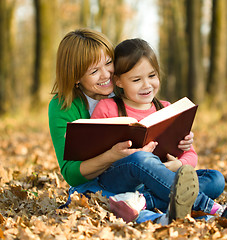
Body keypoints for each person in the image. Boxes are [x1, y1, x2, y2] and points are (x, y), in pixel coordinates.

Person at [90, 38, 227, 222]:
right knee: (141, 158)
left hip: (161, 183)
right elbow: (95, 156)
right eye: (136, 80)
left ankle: (140, 202)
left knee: (215, 178)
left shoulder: (166, 109)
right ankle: (216, 210)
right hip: (121, 180)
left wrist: (178, 165)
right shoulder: (107, 108)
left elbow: (191, 156)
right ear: (118, 81)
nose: (147, 85)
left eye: (152, 76)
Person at [48, 29, 198, 223]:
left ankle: (142, 203)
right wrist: (111, 156)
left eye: (109, 63)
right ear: (76, 77)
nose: (106, 75)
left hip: (142, 180)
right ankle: (206, 207)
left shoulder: (126, 90)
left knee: (213, 179)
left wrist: (180, 141)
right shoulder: (63, 107)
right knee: (141, 166)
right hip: (98, 184)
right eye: (94, 71)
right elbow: (72, 174)